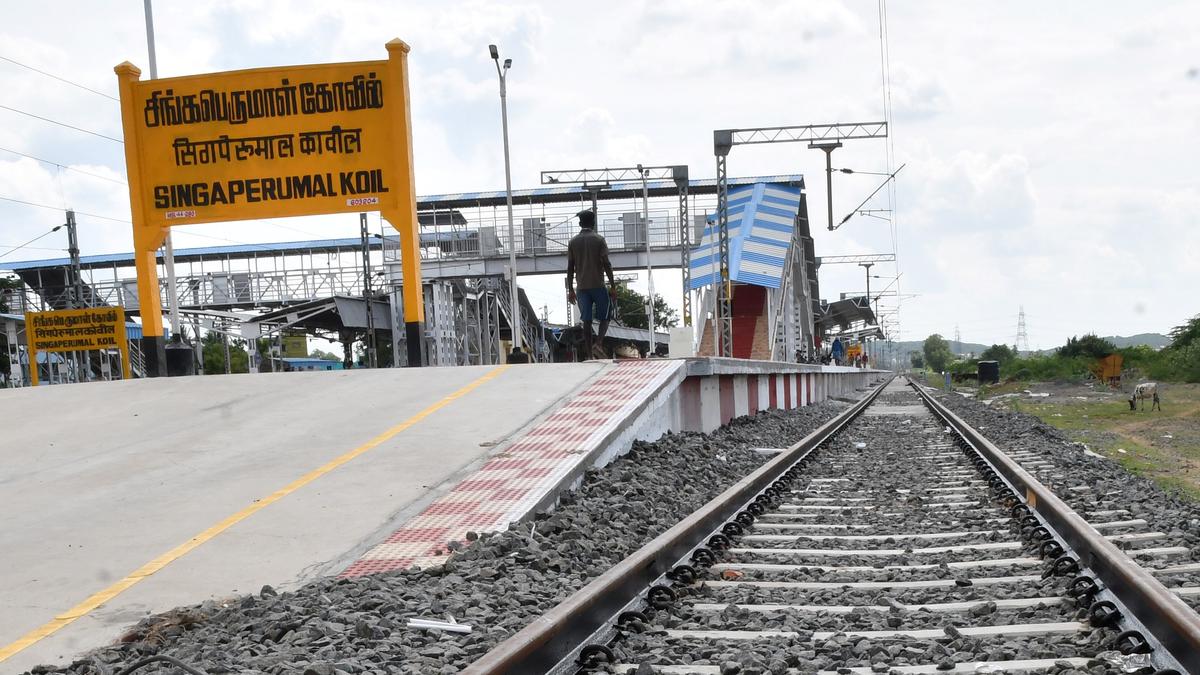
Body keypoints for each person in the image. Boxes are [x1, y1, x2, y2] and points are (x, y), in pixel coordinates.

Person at [566, 209, 617, 360]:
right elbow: (606, 263)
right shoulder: (599, 240)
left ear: (580, 223)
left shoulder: (573, 242)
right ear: (593, 223)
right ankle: (598, 342)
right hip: (598, 285)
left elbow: (570, 267)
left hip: (581, 288)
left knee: (586, 320)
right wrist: (613, 286)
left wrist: (570, 290)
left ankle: (589, 355)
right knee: (606, 316)